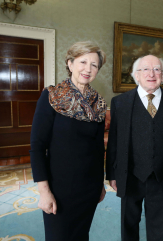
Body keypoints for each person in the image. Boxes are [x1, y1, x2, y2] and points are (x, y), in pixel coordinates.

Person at [30, 41, 107, 241]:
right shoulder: (51, 96)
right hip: (59, 187)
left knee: (81, 236)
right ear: (70, 63)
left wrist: (100, 184)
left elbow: (99, 149)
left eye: (94, 65)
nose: (88, 69)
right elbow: (37, 147)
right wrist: (44, 192)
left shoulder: (98, 104)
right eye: (83, 62)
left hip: (89, 187)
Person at [106, 55, 163, 241]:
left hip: (162, 177)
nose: (151, 74)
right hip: (130, 175)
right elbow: (114, 141)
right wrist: (112, 173)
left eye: (157, 69)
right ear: (136, 75)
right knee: (129, 224)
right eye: (145, 69)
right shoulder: (120, 103)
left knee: (158, 227)